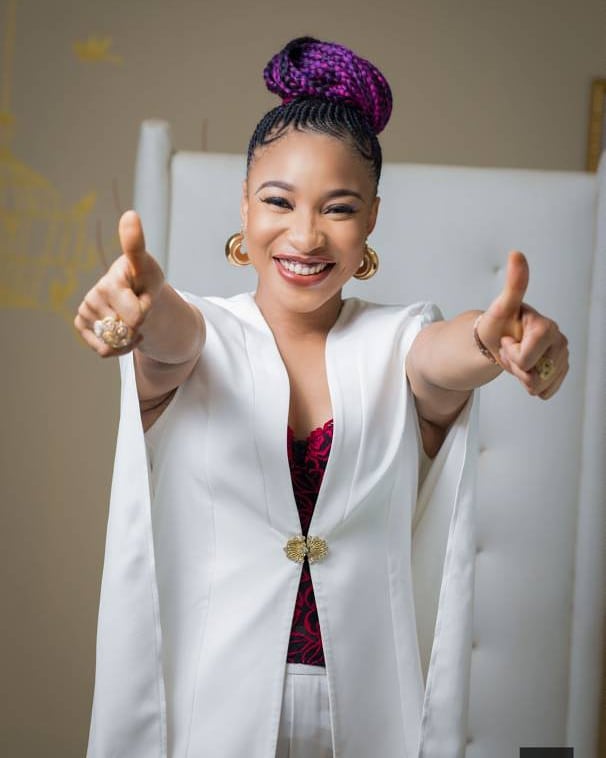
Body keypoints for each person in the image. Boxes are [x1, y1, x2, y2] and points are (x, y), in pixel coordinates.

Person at [75, 37, 569, 758]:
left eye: (338, 208)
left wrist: (496, 340)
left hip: (369, 717)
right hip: (210, 714)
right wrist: (144, 309)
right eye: (278, 201)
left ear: (371, 219)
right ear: (245, 205)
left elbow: (444, 356)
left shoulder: (400, 340)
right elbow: (176, 337)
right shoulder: (199, 335)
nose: (305, 236)